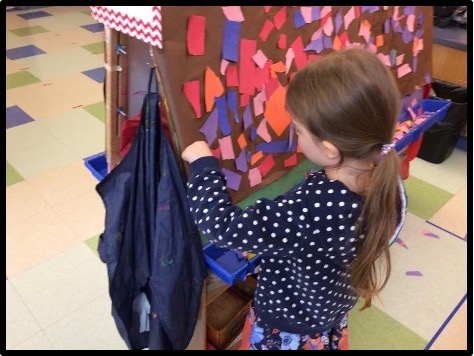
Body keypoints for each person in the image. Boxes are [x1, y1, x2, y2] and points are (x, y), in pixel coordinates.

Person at [181, 47, 407, 350]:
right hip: (328, 314)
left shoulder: (308, 211)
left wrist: (203, 167)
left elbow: (224, 227)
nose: (294, 136)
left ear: (330, 149)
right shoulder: (384, 176)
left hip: (285, 330)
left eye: (298, 130)